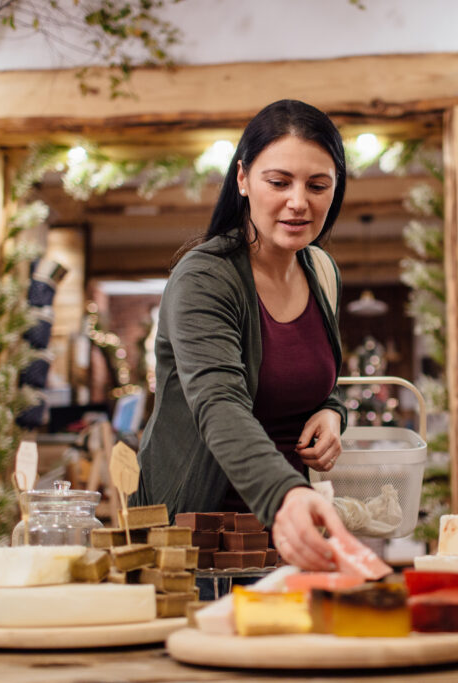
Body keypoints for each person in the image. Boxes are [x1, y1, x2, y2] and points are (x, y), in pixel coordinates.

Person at [131, 99, 357, 571]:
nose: (299, 202)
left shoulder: (320, 270)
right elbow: (220, 404)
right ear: (242, 180)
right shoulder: (204, 279)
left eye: (318, 185)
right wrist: (287, 495)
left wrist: (332, 412)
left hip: (283, 536)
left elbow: (312, 379)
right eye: (279, 182)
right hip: (194, 541)